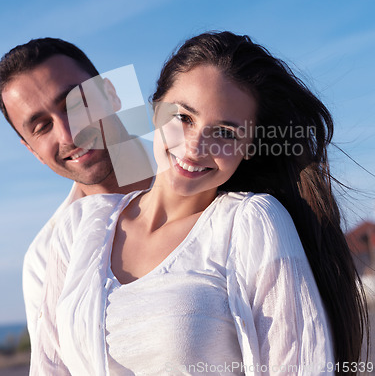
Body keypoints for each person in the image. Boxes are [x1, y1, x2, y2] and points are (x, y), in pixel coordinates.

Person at [31, 31, 368, 375]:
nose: (194, 148)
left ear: (249, 147)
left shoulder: (251, 222)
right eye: (184, 118)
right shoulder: (79, 226)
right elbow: (48, 366)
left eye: (224, 132)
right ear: (154, 111)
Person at [0, 38, 153, 347]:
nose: (69, 134)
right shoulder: (45, 258)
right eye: (42, 126)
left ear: (111, 94)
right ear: (32, 151)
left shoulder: (215, 174)